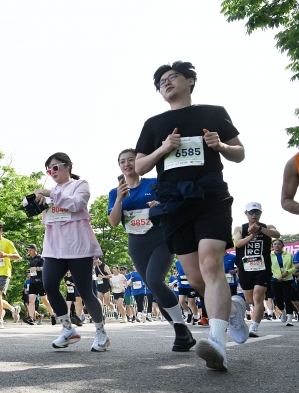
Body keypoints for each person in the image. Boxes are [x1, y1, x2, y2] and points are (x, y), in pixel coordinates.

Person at [134, 61, 247, 371]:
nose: (166, 83)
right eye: (161, 82)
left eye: (173, 77)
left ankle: (217, 343)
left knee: (211, 263)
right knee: (196, 278)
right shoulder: (154, 123)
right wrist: (163, 148)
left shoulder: (213, 112)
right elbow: (140, 166)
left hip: (210, 196)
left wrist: (221, 145)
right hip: (173, 203)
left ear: (191, 81)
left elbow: (240, 152)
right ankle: (233, 308)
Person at [108, 148, 194, 350]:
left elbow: (173, 204)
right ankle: (181, 332)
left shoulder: (153, 183)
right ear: (119, 166)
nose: (127, 164)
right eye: (123, 161)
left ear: (139, 163)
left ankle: (181, 329)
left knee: (155, 279)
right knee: (154, 287)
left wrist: (159, 204)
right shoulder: (115, 192)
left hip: (160, 238)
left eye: (131, 160)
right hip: (136, 242)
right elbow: (113, 222)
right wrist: (120, 199)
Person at [28, 152, 108, 351]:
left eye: (55, 167)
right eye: (49, 169)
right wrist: (31, 200)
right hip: (54, 249)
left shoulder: (80, 185)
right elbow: (31, 209)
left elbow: (77, 204)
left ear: (68, 166)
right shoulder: (49, 191)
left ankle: (101, 333)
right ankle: (68, 329)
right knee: (49, 285)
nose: (52, 172)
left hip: (78, 247)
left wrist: (50, 194)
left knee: (85, 291)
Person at [233, 202, 279, 337]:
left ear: (261, 214)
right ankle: (248, 319)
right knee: (249, 300)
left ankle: (254, 327)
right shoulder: (239, 228)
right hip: (245, 267)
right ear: (246, 213)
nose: (254, 215)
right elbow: (238, 243)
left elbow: (277, 234)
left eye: (257, 212)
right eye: (251, 212)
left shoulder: (267, 227)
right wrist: (252, 235)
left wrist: (259, 229)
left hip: (262, 267)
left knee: (258, 296)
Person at [0, 220, 21, 329]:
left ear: (1, 230)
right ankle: (13, 309)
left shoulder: (7, 242)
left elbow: (17, 256)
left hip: (4, 272)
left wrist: (6, 255)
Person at [25, 244, 55, 325]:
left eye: (30, 250)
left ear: (35, 249)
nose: (29, 251)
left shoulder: (41, 257)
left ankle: (52, 315)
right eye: (28, 250)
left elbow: (46, 267)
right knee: (31, 299)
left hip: (41, 281)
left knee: (44, 300)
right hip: (33, 281)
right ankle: (31, 318)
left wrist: (37, 268)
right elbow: (32, 270)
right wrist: (29, 273)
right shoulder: (30, 259)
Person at [270, 239, 296, 327]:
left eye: (279, 244)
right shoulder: (269, 256)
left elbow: (294, 267)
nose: (277, 245)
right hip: (275, 280)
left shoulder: (289, 255)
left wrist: (287, 272)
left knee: (287, 299)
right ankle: (283, 312)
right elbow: (268, 269)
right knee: (278, 300)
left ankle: (289, 319)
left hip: (288, 279)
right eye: (275, 244)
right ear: (272, 246)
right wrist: (278, 277)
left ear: (282, 245)